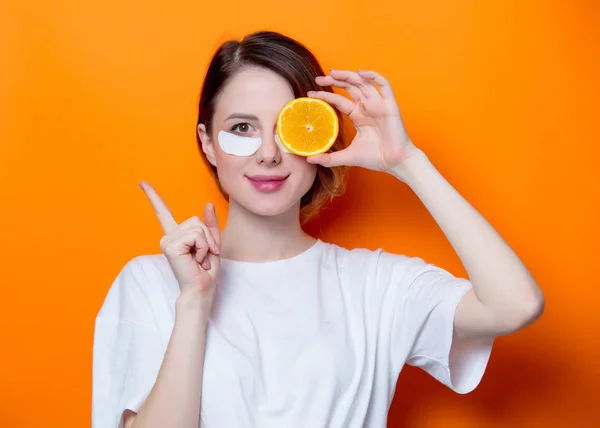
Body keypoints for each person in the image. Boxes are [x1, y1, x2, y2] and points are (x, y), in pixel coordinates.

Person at [92, 30, 545, 428]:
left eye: (289, 128)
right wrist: (193, 303)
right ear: (208, 142)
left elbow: (515, 304)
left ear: (319, 136)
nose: (268, 154)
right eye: (242, 127)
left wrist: (407, 162)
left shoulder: (374, 286)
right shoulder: (149, 283)